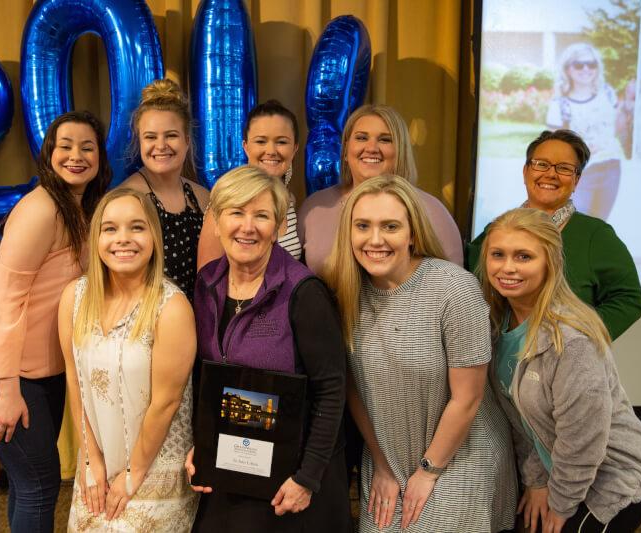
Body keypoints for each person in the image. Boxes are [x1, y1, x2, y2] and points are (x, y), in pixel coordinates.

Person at [323, 175, 516, 532]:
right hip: (387, 456)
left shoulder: (453, 288)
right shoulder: (344, 290)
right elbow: (353, 388)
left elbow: (468, 398)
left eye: (390, 226)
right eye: (362, 226)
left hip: (459, 455)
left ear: (412, 233)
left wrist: (429, 471)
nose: (375, 239)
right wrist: (382, 463)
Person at [0, 110, 111, 532]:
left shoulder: (79, 208)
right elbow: (4, 300)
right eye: (65, 146)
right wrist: (6, 389)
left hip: (40, 373)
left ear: (100, 156)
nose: (76, 155)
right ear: (49, 153)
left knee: (30, 485)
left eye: (87, 147)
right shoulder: (42, 208)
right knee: (40, 485)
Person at [185, 165, 351, 532]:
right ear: (216, 221)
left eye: (261, 215)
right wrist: (205, 443)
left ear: (278, 228)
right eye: (236, 213)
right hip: (233, 468)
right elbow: (206, 377)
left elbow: (331, 389)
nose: (247, 226)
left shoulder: (304, 293)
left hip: (294, 478)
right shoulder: (206, 284)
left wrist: (307, 478)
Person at [479, 207, 641, 533]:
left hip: (614, 478)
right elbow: (524, 422)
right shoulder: (498, 328)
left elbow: (583, 438)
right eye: (498, 254)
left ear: (552, 263)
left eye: (524, 256)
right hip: (559, 473)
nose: (507, 267)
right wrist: (536, 482)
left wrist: (560, 505)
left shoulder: (572, 340)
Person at [59, 188, 199, 532]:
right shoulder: (74, 297)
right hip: (98, 458)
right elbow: (74, 380)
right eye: (110, 229)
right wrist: (91, 462)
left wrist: (131, 476)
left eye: (137, 227)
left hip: (155, 466)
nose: (123, 239)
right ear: (96, 238)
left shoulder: (172, 306)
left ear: (154, 236)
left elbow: (166, 403)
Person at [468, 129, 641, 340]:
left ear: (576, 180)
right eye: (541, 164)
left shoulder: (597, 235)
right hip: (497, 363)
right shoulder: (496, 230)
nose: (551, 174)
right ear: (525, 172)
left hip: (564, 365)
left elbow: (629, 299)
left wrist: (579, 336)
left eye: (564, 168)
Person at [298, 104, 463, 275]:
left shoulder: (430, 211)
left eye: (385, 139)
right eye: (362, 138)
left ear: (400, 150)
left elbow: (452, 284)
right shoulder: (314, 207)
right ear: (346, 149)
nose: (371, 148)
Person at [120, 78, 210, 301]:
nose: (161, 146)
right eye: (150, 137)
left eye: (171, 135)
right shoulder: (126, 200)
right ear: (139, 141)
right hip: (150, 324)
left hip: (201, 322)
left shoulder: (203, 197)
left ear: (187, 141)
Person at [198, 100, 301, 268]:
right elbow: (206, 279)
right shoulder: (226, 203)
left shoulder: (290, 201)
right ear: (245, 147)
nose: (271, 151)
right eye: (261, 141)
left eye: (281, 142)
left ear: (294, 148)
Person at [546, 43, 622, 220]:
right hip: (579, 173)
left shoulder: (608, 94)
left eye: (592, 64)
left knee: (599, 226)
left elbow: (617, 130)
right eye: (579, 65)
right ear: (567, 69)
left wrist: (628, 105)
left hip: (610, 168)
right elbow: (552, 149)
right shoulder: (559, 105)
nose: (586, 69)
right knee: (572, 224)